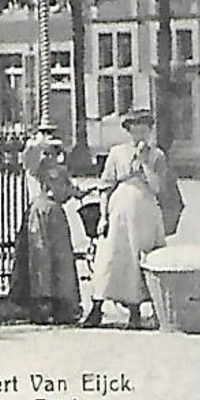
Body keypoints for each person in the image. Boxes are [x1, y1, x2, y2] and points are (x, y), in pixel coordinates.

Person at [82, 108, 173, 329]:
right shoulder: (117, 153)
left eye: (144, 131)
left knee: (138, 258)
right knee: (110, 256)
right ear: (128, 132)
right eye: (135, 131)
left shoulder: (157, 155)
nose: (139, 136)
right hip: (120, 209)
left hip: (145, 211)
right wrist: (103, 216)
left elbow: (157, 187)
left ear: (150, 131)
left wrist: (144, 164)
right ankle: (97, 308)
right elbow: (106, 186)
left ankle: (136, 312)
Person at [8, 132, 83, 325]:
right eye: (48, 151)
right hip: (39, 212)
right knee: (40, 257)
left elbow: (68, 191)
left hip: (56, 214)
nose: (51, 156)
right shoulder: (37, 169)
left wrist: (79, 192)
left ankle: (62, 303)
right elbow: (28, 159)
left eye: (54, 151)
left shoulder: (62, 171)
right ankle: (41, 302)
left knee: (61, 258)